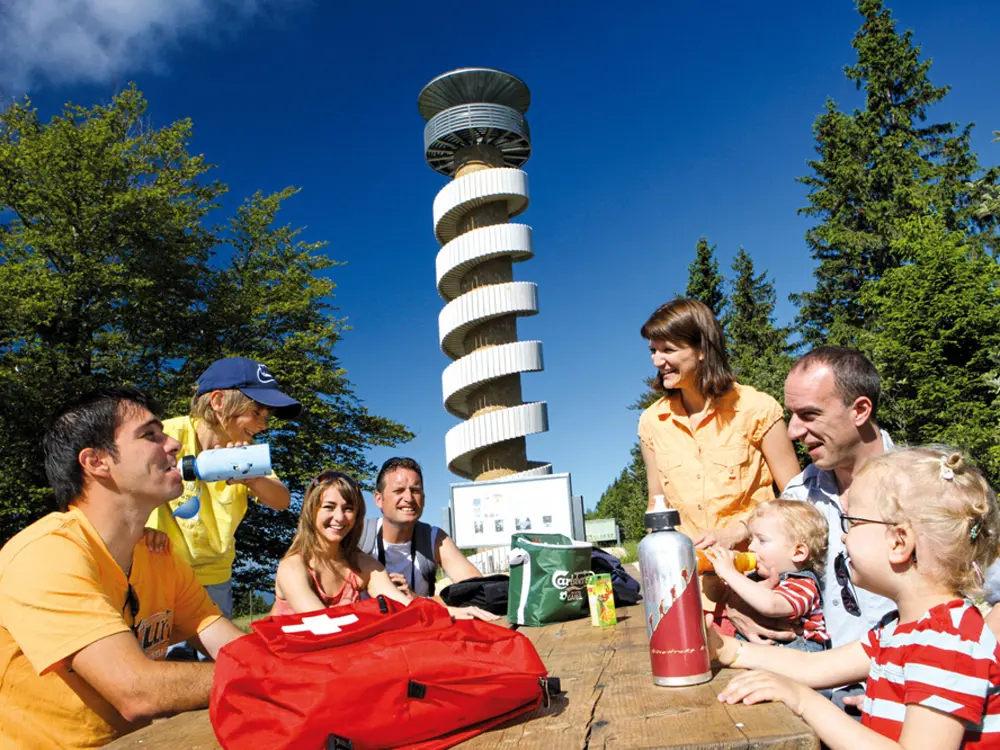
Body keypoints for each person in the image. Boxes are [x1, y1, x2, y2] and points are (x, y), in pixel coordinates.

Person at [0, 388, 245, 748]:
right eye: (150, 435)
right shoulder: (45, 554)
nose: (175, 444)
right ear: (96, 462)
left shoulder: (160, 557)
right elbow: (137, 691)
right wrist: (263, 674)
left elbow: (230, 646)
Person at [711, 446, 1000, 750]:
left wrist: (803, 701)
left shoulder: (947, 642)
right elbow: (814, 667)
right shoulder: (901, 629)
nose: (844, 536)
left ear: (899, 542)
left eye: (853, 522)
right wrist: (727, 649)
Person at [637, 299, 800, 619]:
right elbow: (656, 509)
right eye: (653, 351)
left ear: (701, 349)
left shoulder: (757, 409)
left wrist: (740, 530)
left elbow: (796, 500)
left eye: (668, 350)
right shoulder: (651, 423)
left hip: (761, 582)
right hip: (691, 592)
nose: (658, 360)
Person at [146, 357, 300, 624]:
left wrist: (251, 479)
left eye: (267, 416)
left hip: (215, 576)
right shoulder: (166, 437)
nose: (263, 424)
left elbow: (282, 500)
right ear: (217, 401)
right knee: (165, 658)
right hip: (158, 572)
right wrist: (138, 528)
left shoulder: (245, 453)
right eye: (256, 412)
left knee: (217, 660)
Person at [359, 457, 498, 621]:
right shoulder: (360, 537)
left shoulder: (434, 539)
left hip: (421, 630)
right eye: (398, 491)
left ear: (423, 498)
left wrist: (417, 600)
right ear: (379, 499)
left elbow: (478, 590)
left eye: (415, 490)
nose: (409, 498)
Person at [271, 470, 411, 614]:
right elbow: (322, 624)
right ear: (311, 511)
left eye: (348, 509)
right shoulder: (292, 567)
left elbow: (406, 607)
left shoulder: (362, 564)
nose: (339, 517)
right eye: (329, 507)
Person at [704, 499, 830, 652]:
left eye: (761, 540)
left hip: (799, 665)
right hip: (764, 661)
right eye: (751, 539)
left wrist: (729, 573)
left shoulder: (803, 585)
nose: (750, 546)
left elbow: (771, 605)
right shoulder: (755, 578)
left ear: (798, 552)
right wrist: (712, 574)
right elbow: (720, 595)